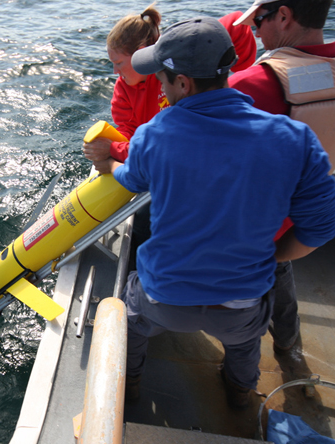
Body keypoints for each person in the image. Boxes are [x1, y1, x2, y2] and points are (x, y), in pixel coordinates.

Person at [92, 17, 335, 409]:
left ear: (183, 83)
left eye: (164, 79)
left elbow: (131, 179)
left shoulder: (156, 134)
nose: (163, 89)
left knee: (131, 318)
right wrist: (271, 257)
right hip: (240, 305)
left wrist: (107, 166)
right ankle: (241, 392)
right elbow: (320, 227)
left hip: (164, 299)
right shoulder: (294, 138)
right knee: (245, 343)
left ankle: (132, 382)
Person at [83, 6, 257, 261]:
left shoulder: (176, 70)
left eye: (119, 63)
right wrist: (116, 147)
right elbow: (133, 137)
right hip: (169, 160)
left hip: (182, 156)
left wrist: (239, 63)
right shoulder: (124, 90)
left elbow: (235, 23)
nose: (115, 72)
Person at [229, 0, 335, 354]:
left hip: (247, 234)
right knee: (281, 280)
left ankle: (239, 379)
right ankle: (289, 349)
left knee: (239, 320)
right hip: (301, 227)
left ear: (285, 16)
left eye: (259, 20)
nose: (255, 31)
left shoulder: (246, 85)